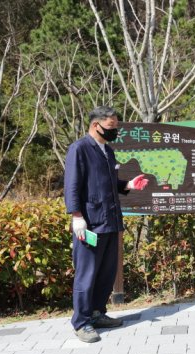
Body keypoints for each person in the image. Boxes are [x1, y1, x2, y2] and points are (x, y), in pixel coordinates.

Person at [64, 106, 148, 342]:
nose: (115, 132)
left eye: (116, 128)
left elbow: (108, 182)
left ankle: (97, 313)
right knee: (86, 275)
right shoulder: (79, 149)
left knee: (106, 273)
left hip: (110, 220)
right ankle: (81, 322)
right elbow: (72, 185)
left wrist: (128, 185)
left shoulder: (107, 151)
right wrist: (76, 216)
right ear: (95, 126)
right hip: (89, 223)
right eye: (111, 128)